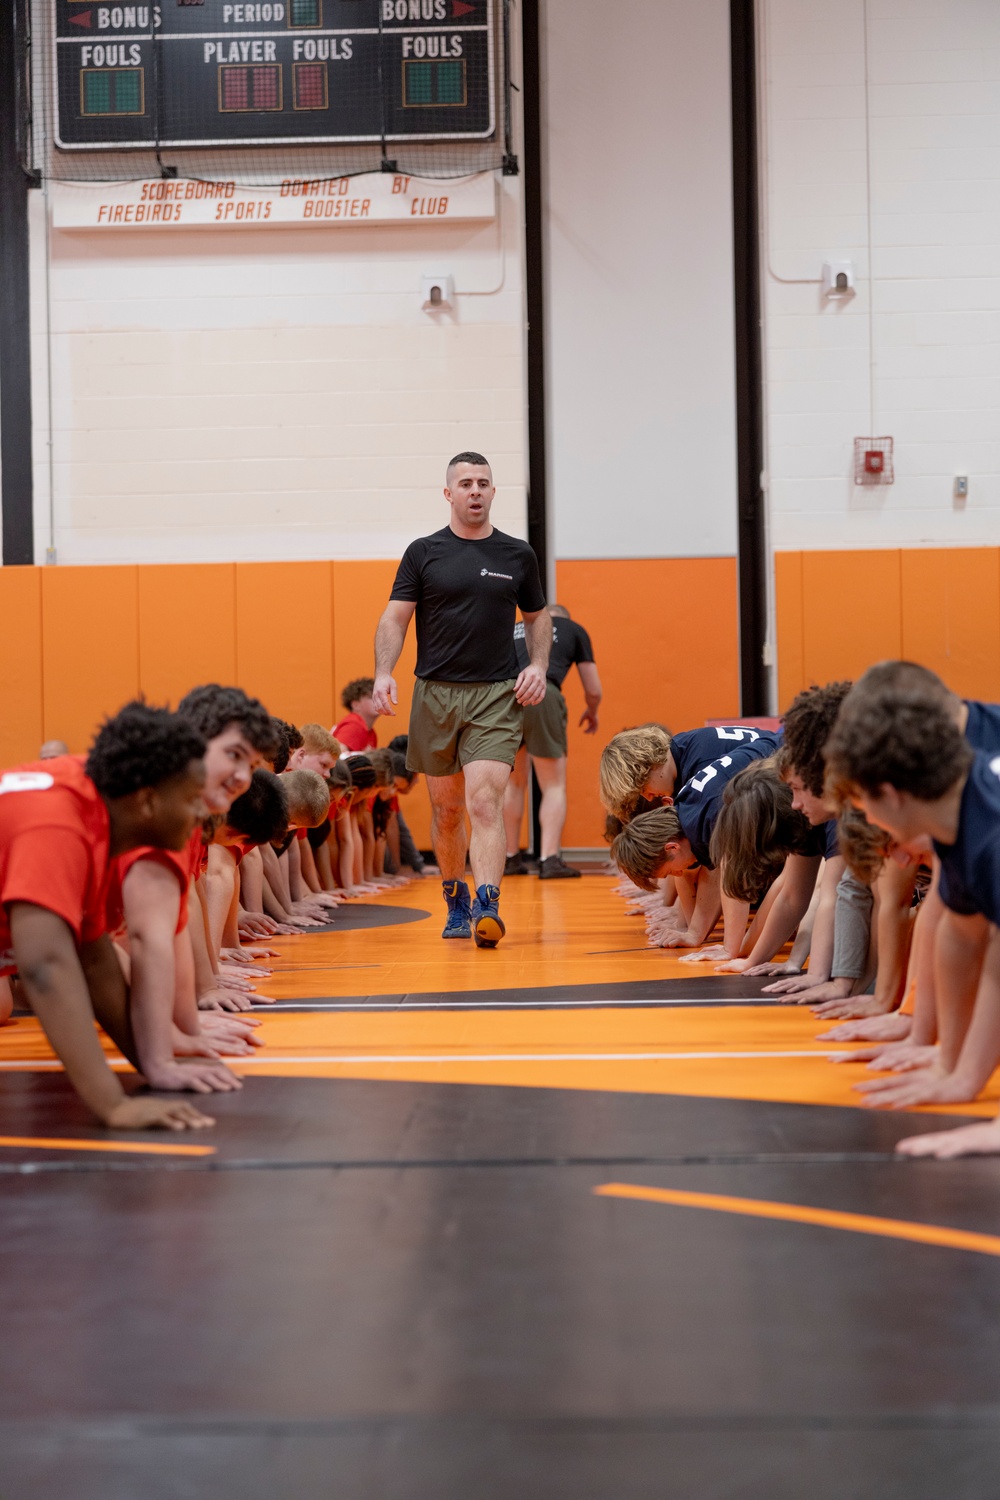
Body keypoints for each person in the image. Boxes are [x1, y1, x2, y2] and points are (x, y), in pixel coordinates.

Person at [0, 702, 213, 1131]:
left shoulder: (91, 807)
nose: (202, 814)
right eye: (192, 800)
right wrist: (112, 1104)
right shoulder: (59, 824)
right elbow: (45, 968)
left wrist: (155, 1066)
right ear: (147, 800)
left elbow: (95, 958)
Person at [372, 451, 550, 948]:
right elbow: (394, 618)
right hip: (435, 694)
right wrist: (384, 672)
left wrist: (536, 665)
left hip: (496, 694)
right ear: (449, 494)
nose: (475, 490)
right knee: (447, 811)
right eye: (466, 483)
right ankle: (455, 902)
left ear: (494, 493)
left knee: (485, 802)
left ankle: (487, 904)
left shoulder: (518, 555)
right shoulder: (423, 552)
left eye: (484, 483)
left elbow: (538, 618)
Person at [823, 671, 1000, 1157]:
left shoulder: (991, 833)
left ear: (891, 793)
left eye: (862, 804)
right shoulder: (962, 822)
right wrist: (953, 1066)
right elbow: (962, 938)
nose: (869, 821)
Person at [503, 604, 602, 879]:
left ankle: (510, 857)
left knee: (513, 782)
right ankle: (549, 860)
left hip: (505, 697)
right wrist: (592, 713)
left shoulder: (513, 628)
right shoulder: (574, 630)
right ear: (565, 620)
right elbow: (593, 689)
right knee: (553, 785)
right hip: (541, 692)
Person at [334, 679, 379, 752]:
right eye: (371, 697)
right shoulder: (354, 725)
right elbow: (338, 755)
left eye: (378, 697)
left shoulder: (370, 732)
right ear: (355, 705)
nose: (378, 700)